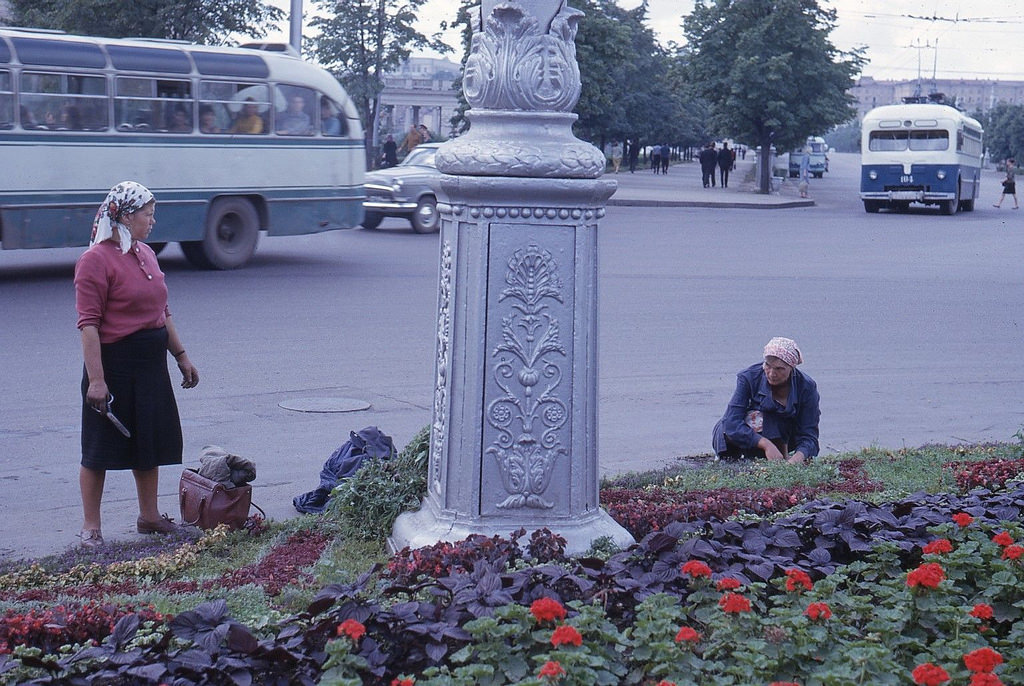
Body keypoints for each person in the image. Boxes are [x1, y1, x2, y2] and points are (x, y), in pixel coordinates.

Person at [74, 181, 200, 548]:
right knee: (98, 449)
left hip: (149, 365)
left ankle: (149, 516)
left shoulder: (145, 253)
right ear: (126, 216)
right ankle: (91, 526)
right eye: (148, 214)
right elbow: (88, 325)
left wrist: (181, 356)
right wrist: (97, 380)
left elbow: (162, 311)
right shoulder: (94, 260)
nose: (153, 221)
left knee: (148, 442)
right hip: (113, 366)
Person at [712, 337, 820, 464]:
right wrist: (766, 444)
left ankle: (781, 458)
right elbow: (731, 422)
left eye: (779, 369)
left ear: (791, 368)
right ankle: (732, 458)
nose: (772, 373)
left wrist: (798, 457)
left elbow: (809, 434)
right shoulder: (748, 377)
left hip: (785, 436)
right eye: (768, 366)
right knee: (744, 422)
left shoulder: (806, 387)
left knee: (776, 419)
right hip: (747, 436)